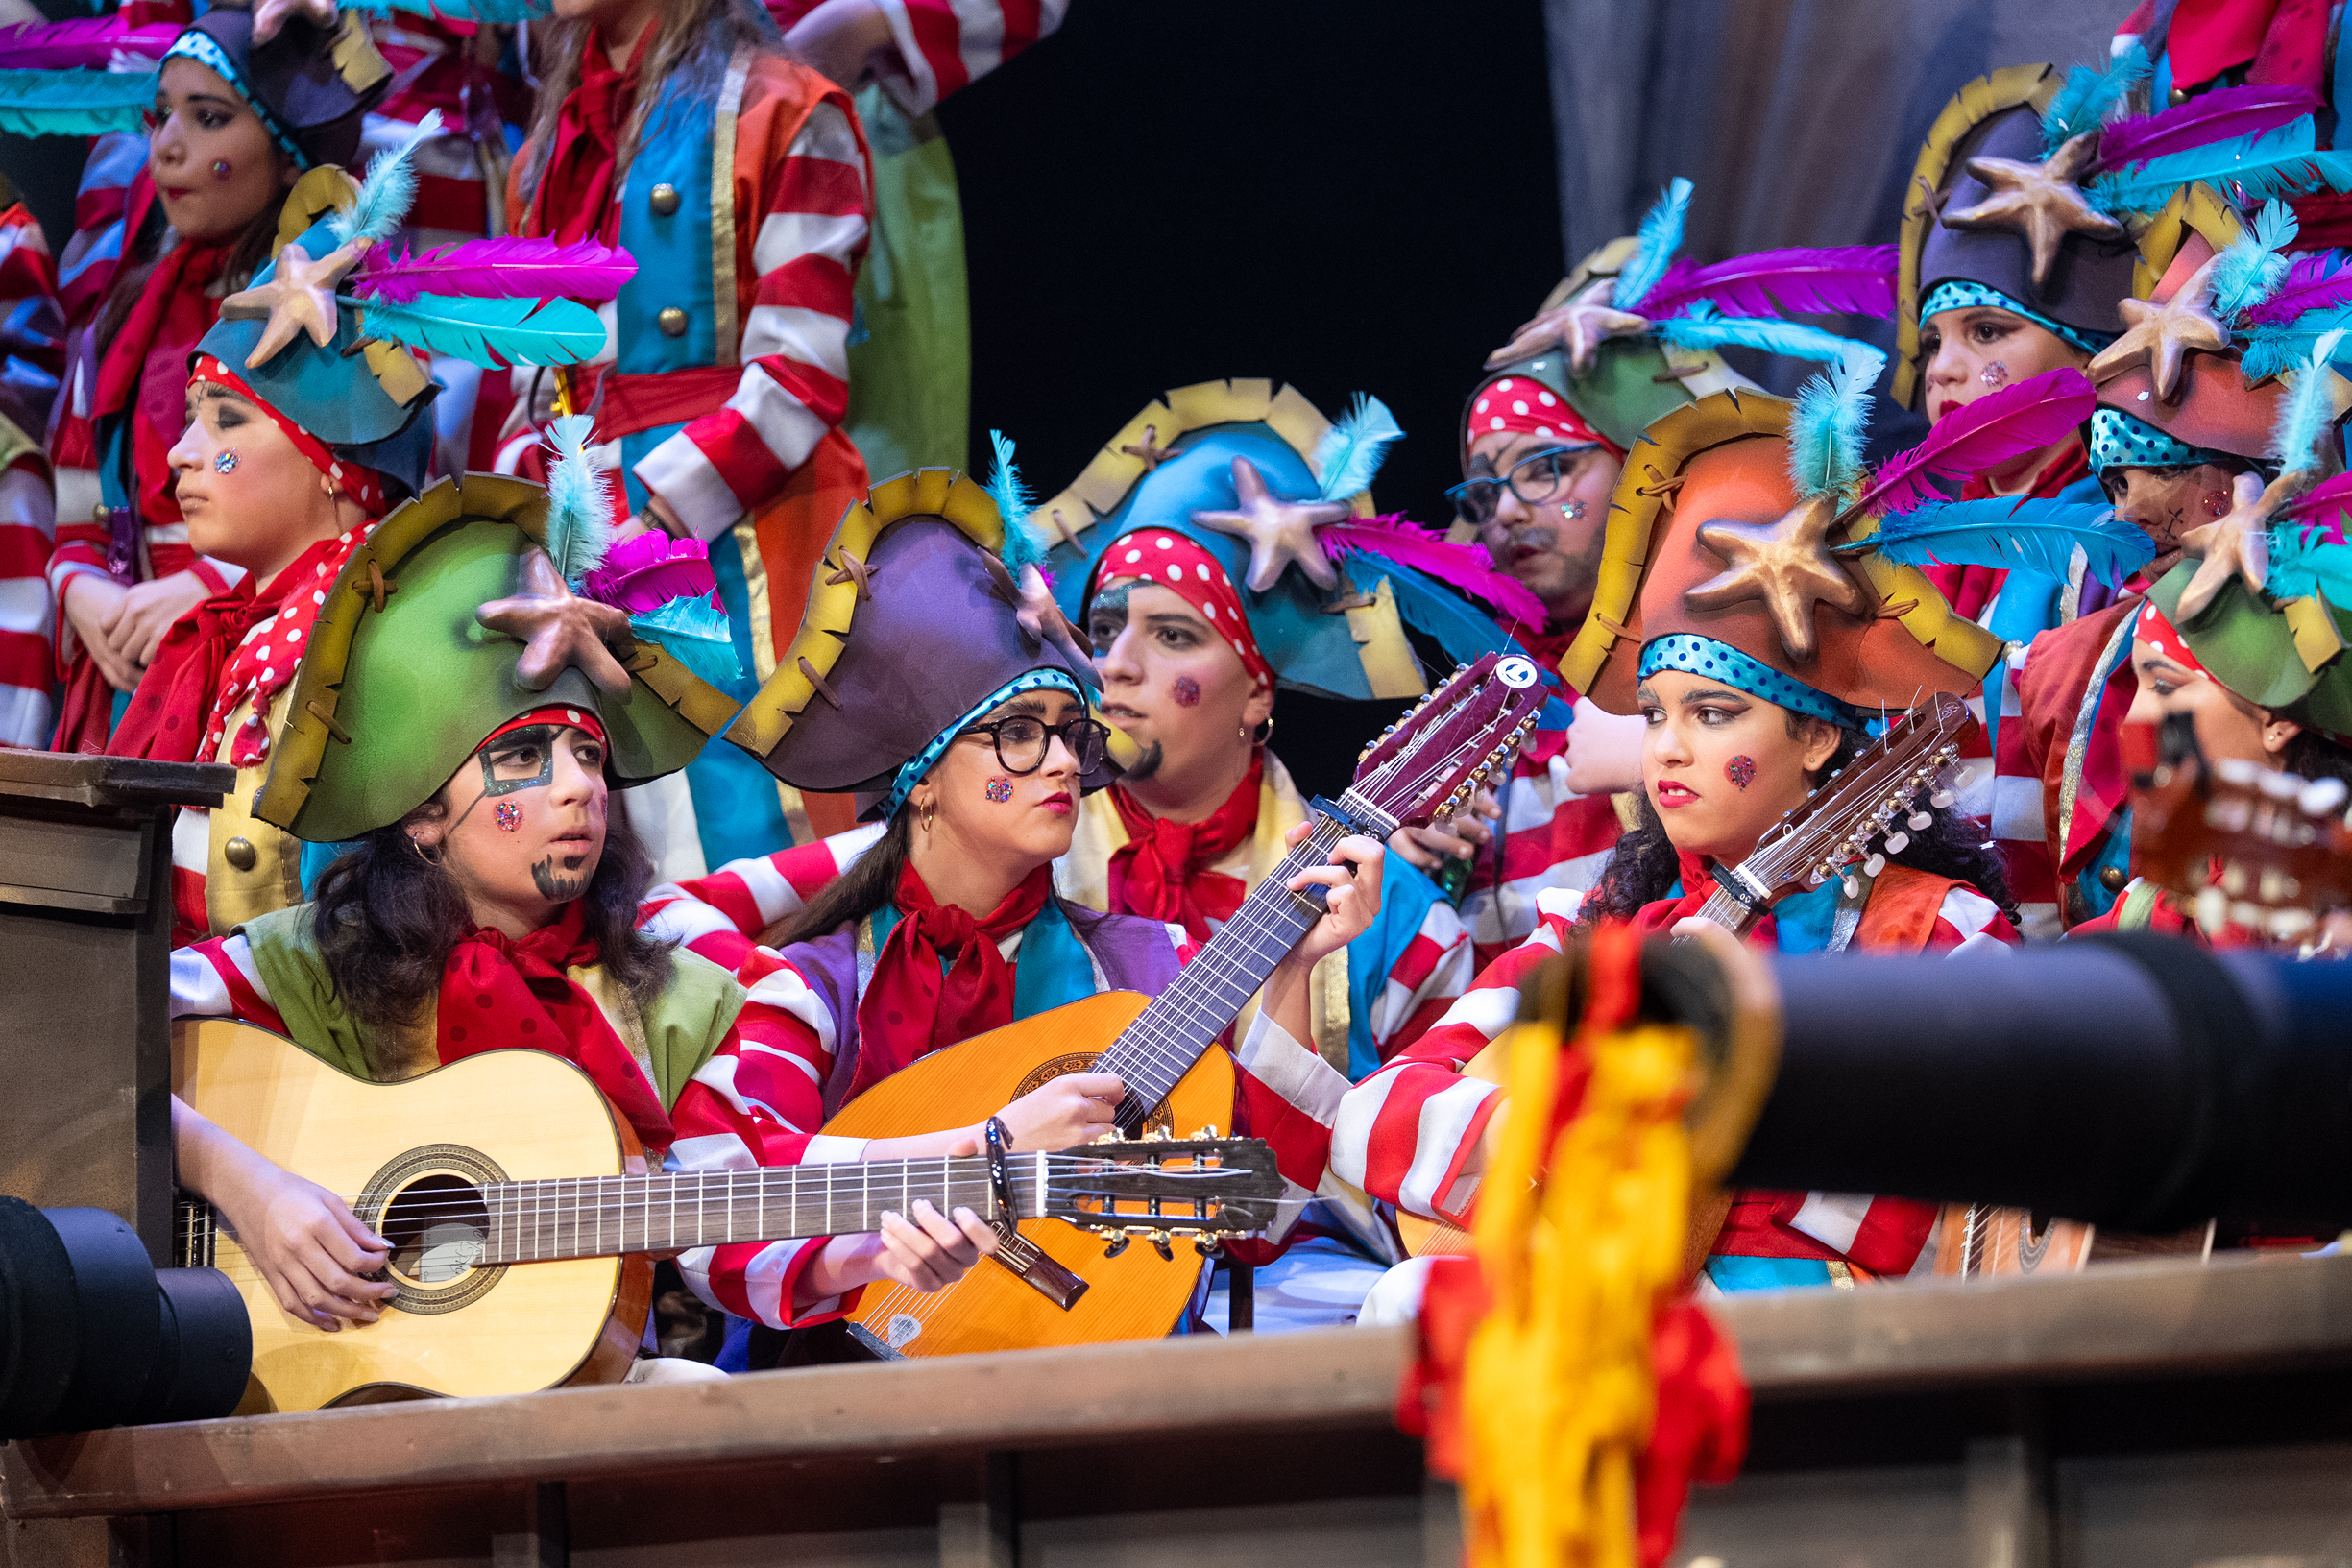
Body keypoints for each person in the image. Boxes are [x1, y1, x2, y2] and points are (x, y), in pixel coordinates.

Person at [163, 420, 1026, 1366]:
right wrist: (248, 1184)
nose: (576, 785)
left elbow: (736, 1227)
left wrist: (874, 1244)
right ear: (420, 814)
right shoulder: (309, 959)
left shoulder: (702, 978)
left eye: (587, 753)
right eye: (523, 757)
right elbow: (75, 1052)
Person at [1328, 365, 2166, 1297]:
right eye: (1653, 715)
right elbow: (1369, 1116)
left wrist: (1714, 1137)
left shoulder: (1938, 936)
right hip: (1626, 1320)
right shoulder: (1602, 932)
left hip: (1834, 1360)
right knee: (1406, 1298)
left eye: (1714, 715)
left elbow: (1978, 1206)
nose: (1669, 752)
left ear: (1814, 735)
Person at [682, 469, 1380, 1353]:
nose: (1061, 763)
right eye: (1019, 731)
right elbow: (714, 1215)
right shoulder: (809, 987)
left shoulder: (1146, 963)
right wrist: (877, 1242)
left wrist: (1293, 967)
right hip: (844, 1401)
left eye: (1068, 731)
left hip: (1091, 1385)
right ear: (923, 779)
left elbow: (1254, 1217)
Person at [96, 139, 615, 947]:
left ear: (333, 463)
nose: (180, 452)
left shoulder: (395, 636)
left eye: (225, 422)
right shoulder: (235, 641)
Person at [1451, 181, 1896, 963]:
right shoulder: (1491, 699)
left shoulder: (1761, 620)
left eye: (1545, 468)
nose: (1509, 511)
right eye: (1486, 488)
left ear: (1635, 467)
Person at [497, 0, 878, 875]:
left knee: (749, 834)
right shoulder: (547, 153)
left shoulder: (786, 112)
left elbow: (801, 370)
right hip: (584, 529)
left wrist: (656, 520)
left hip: (740, 527)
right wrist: (546, 525)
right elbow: (533, 376)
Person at [40, 7, 392, 752]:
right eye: (161, 115)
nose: (167, 147)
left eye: (207, 119)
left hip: (258, 644)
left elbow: (359, 501)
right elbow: (77, 508)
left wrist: (202, 588)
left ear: (287, 151)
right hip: (123, 666)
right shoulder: (122, 315)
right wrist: (85, 592)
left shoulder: (321, 317)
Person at [2001, 203, 2346, 931]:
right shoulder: (2070, 663)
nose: (2123, 517)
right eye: (2111, 486)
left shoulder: (2318, 634)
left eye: (2152, 478)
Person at [1888, 60, 2139, 933]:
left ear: (2090, 357)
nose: (1946, 367)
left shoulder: (2117, 541)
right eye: (1933, 342)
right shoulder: (1911, 549)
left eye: (1987, 331)